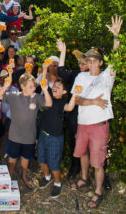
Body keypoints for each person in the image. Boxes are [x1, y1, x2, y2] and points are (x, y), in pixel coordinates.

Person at [71, 15, 123, 209]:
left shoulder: (106, 77)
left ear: (100, 63)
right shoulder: (81, 77)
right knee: (82, 153)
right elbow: (77, 100)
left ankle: (98, 191)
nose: (91, 63)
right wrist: (90, 101)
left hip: (99, 126)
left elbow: (116, 57)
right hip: (82, 124)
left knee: (98, 162)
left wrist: (116, 37)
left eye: (95, 60)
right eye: (89, 60)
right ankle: (84, 178)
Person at [0, 73, 52, 190]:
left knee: (25, 159)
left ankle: (23, 176)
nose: (34, 88)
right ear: (22, 86)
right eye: (31, 86)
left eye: (34, 86)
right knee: (12, 159)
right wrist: (6, 86)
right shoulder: (13, 96)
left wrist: (46, 90)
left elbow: (49, 104)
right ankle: (10, 176)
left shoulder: (37, 97)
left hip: (29, 137)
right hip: (14, 137)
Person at [38, 75, 79, 198]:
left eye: (58, 87)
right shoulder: (47, 97)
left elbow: (70, 107)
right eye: (54, 86)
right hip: (43, 134)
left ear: (64, 92)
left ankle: (57, 183)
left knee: (54, 164)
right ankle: (47, 176)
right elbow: (43, 84)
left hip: (55, 138)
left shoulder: (62, 102)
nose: (55, 88)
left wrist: (75, 95)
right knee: (41, 160)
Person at [56, 39, 89, 179]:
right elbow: (62, 72)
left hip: (89, 116)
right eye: (79, 62)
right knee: (74, 142)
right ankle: (75, 168)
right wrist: (63, 52)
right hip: (74, 116)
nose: (80, 65)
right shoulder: (76, 74)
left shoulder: (95, 77)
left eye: (83, 63)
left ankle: (98, 173)